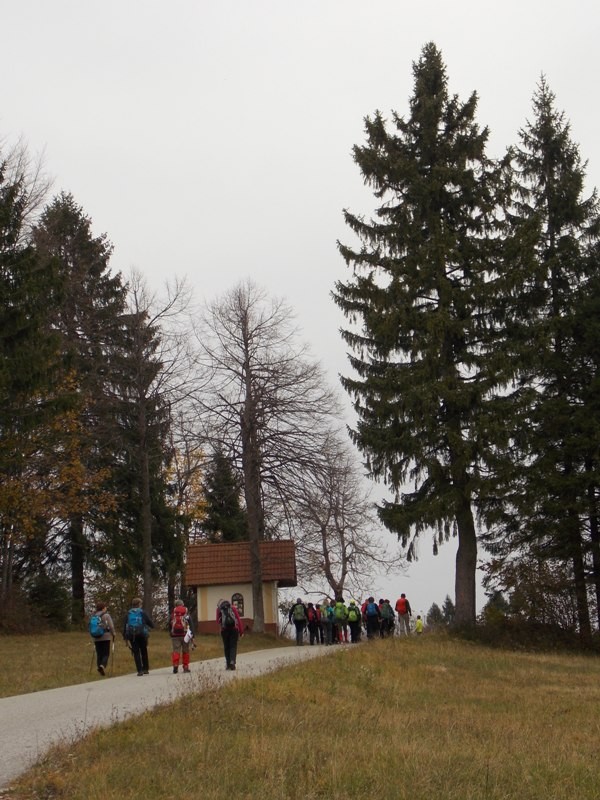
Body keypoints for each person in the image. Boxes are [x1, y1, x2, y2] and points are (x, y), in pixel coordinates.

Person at [122, 597, 154, 676]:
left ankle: (139, 670)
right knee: (144, 651)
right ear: (139, 604)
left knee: (136, 652)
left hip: (132, 635)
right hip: (142, 634)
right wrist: (152, 626)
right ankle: (145, 669)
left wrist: (125, 636)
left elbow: (125, 625)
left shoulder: (128, 613)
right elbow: (148, 621)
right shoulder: (142, 612)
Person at [89, 601, 115, 676]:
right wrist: (113, 633)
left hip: (96, 637)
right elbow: (111, 626)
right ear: (103, 608)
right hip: (106, 636)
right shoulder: (106, 615)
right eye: (105, 607)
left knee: (99, 654)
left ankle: (100, 670)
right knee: (106, 653)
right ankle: (102, 666)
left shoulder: (93, 616)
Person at [217, 598, 244, 670]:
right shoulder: (232, 608)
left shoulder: (219, 609)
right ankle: (232, 661)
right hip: (234, 629)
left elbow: (218, 621)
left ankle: (228, 664)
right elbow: (238, 619)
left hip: (224, 630)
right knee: (233, 646)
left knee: (226, 647)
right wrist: (241, 632)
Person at [170, 598, 194, 673]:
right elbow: (191, 623)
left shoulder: (173, 613)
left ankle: (175, 665)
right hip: (185, 634)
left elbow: (169, 623)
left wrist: (170, 633)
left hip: (175, 635)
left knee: (176, 650)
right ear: (182, 604)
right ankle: (186, 667)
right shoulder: (186, 612)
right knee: (185, 650)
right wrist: (193, 635)